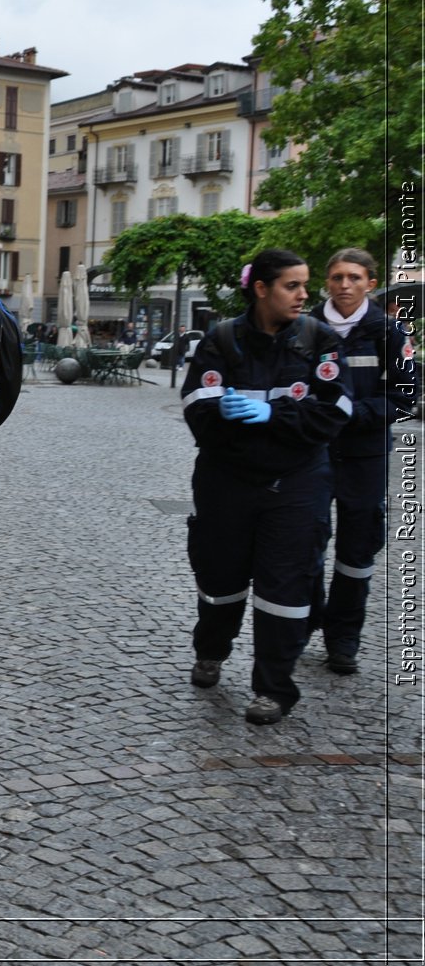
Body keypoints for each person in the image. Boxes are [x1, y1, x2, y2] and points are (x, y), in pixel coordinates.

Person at [181, 249, 352, 725]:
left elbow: (335, 412)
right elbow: (197, 407)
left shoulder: (319, 341)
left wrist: (273, 414)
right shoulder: (219, 342)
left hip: (297, 483)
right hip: (227, 482)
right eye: (291, 286)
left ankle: (273, 689)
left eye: (305, 285)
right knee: (220, 581)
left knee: (287, 588)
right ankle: (211, 650)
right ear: (261, 288)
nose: (304, 295)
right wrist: (222, 414)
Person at [307, 249, 416, 673]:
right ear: (327, 281)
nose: (344, 285)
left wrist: (354, 413)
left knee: (357, 552)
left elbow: (405, 397)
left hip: (364, 455)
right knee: (304, 542)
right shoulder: (305, 326)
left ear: (371, 283)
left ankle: (343, 638)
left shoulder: (388, 332)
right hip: (312, 453)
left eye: (354, 277)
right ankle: (303, 624)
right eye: (337, 277)